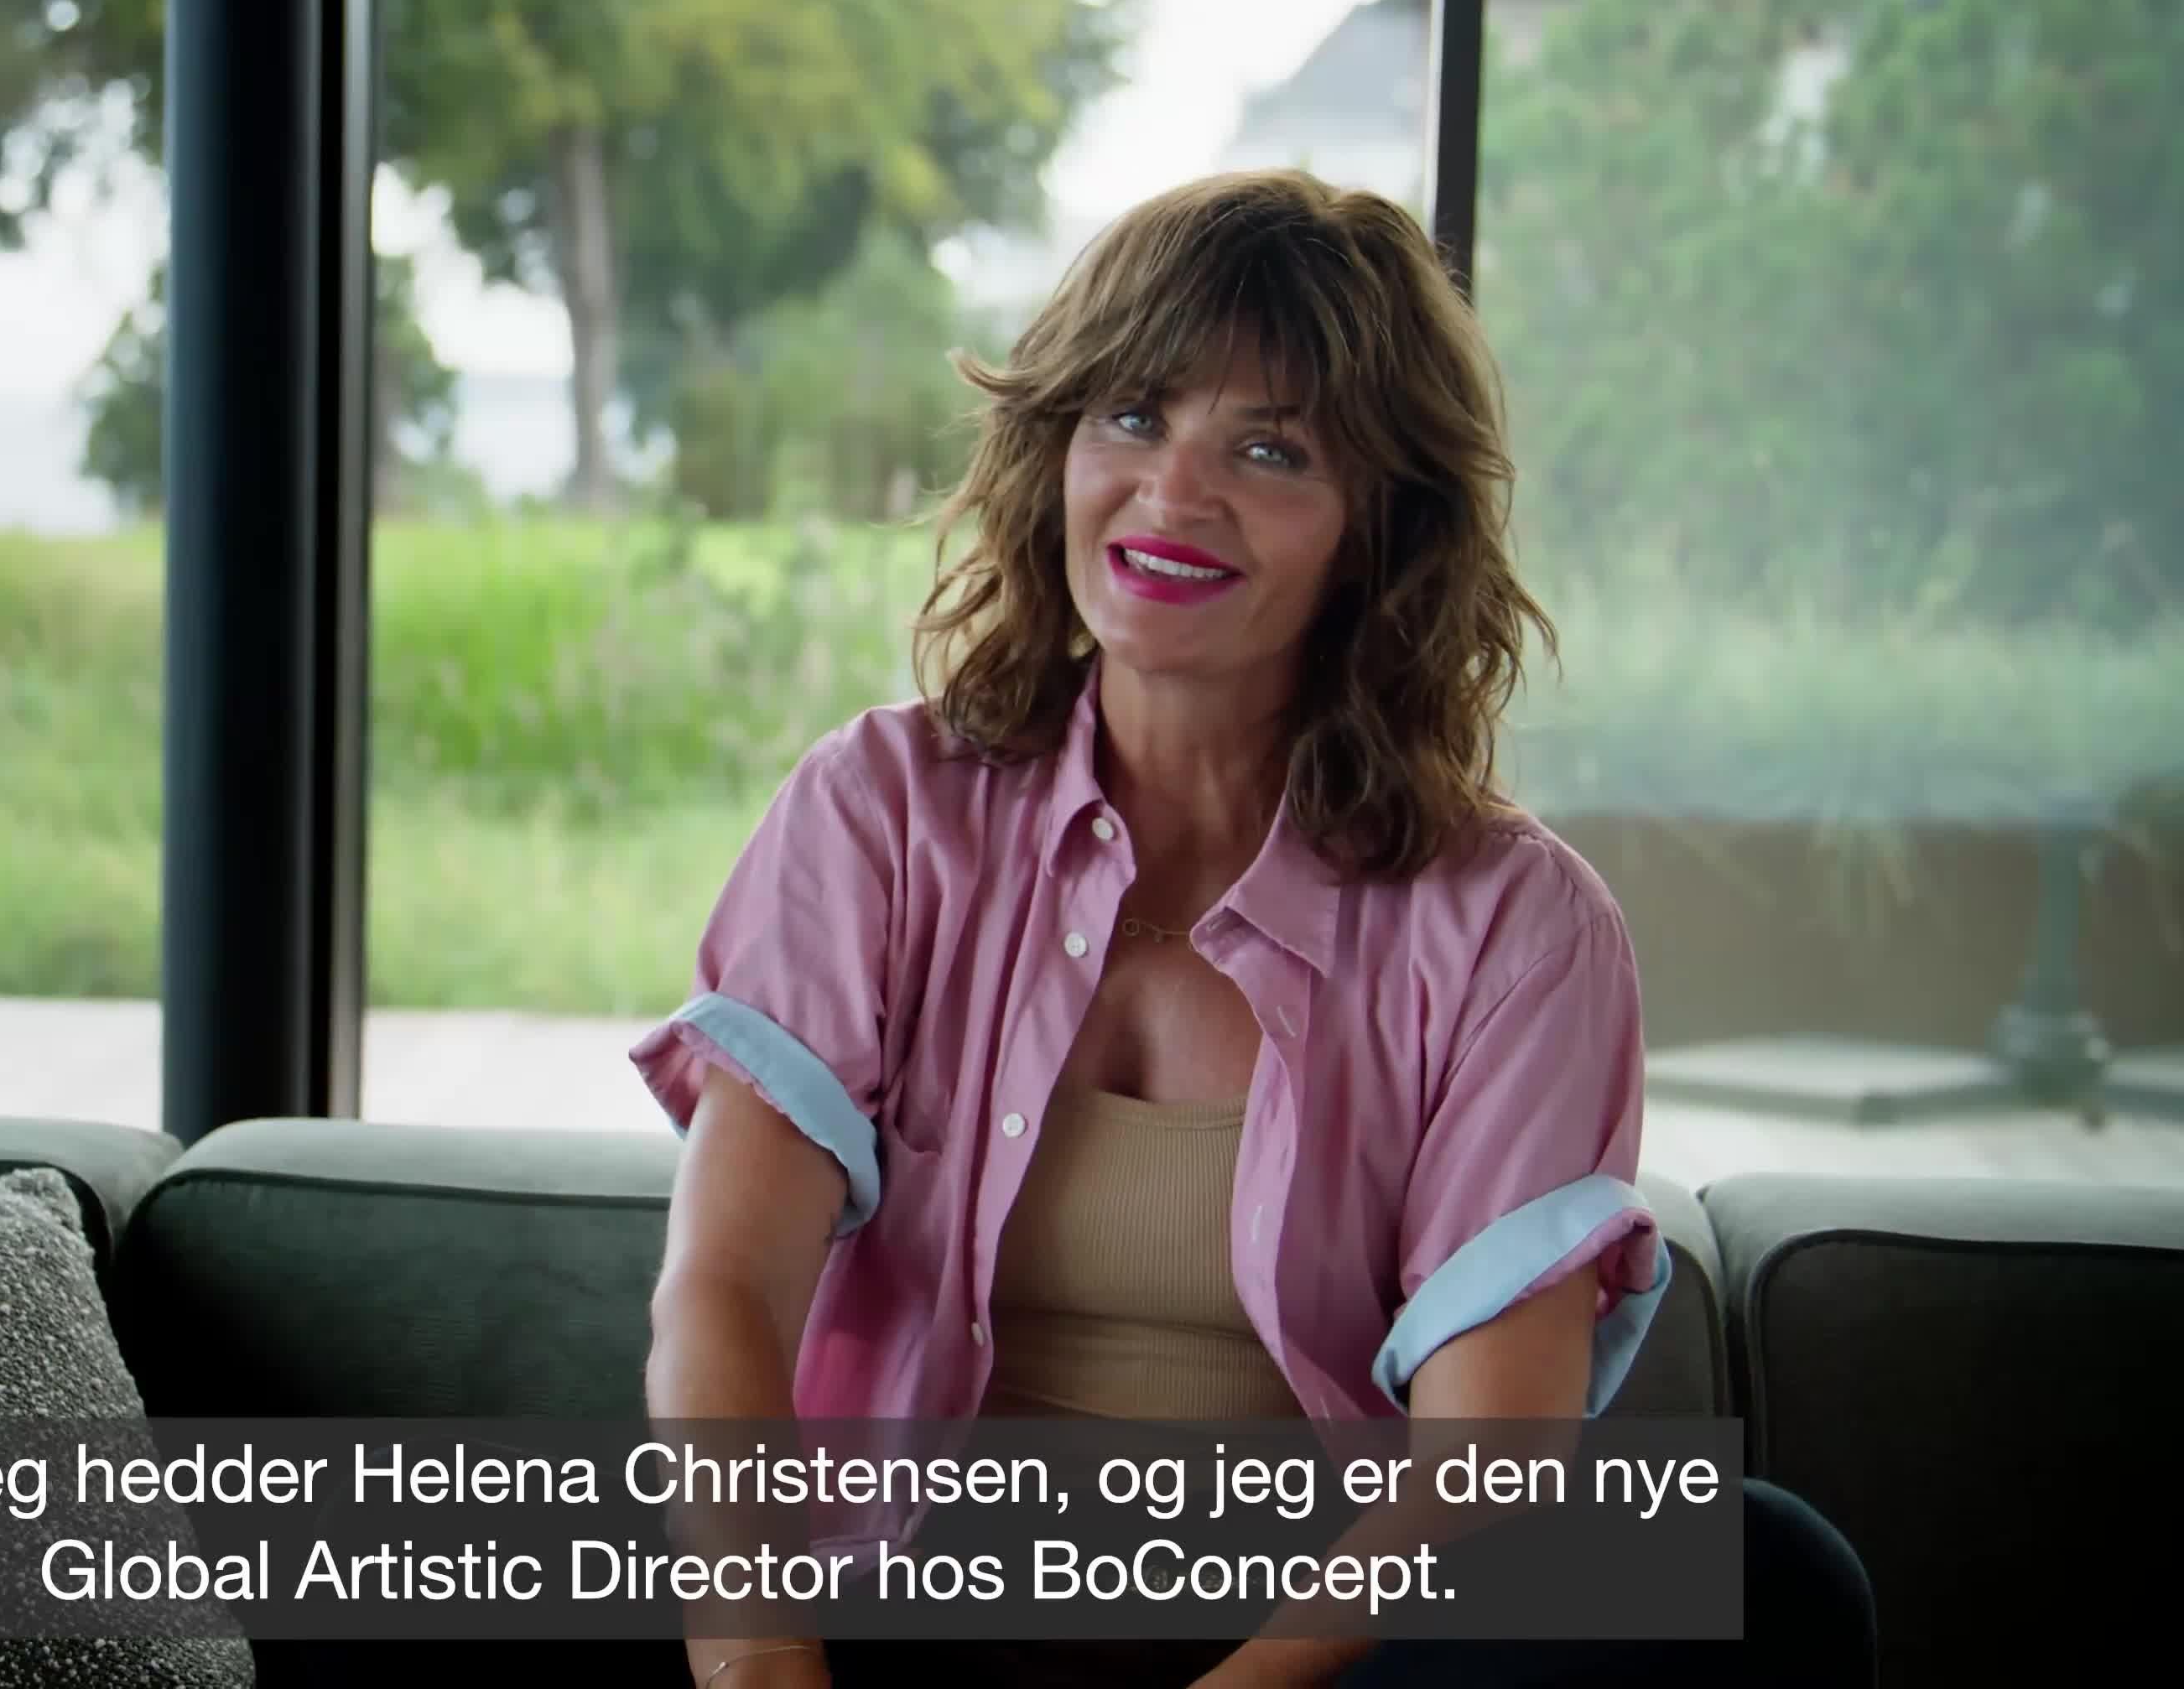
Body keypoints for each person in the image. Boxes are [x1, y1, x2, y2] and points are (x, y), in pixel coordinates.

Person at [629, 169, 1875, 1688]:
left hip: (1308, 1638)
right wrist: (760, 1667)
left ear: (1377, 534)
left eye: (1270, 449)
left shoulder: (1516, 922)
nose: (1174, 494)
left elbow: (1492, 1443)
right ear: (1057, 450)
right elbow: (725, 1286)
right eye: (1132, 417)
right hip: (899, 1600)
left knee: (1757, 1571)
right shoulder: (882, 809)